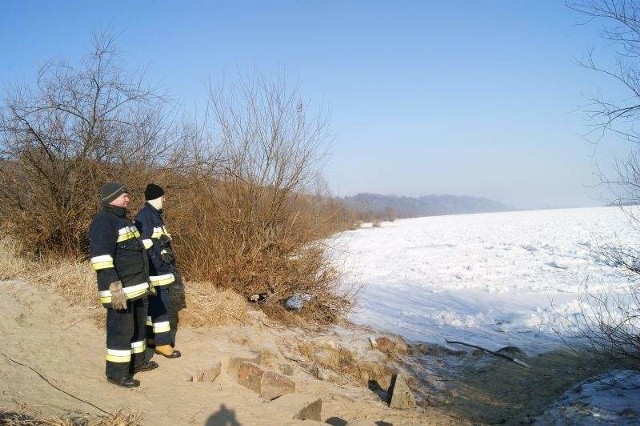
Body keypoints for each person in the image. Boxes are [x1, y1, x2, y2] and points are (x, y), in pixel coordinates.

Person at [89, 182, 158, 388]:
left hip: (136, 288)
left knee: (137, 329)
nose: (128, 198)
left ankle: (137, 363)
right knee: (121, 331)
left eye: (127, 194)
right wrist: (114, 287)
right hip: (120, 291)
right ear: (112, 198)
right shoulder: (103, 222)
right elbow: (101, 258)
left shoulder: (124, 220)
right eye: (123, 195)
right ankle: (117, 373)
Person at [135, 183, 182, 358]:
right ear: (156, 197)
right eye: (163, 196)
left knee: (154, 307)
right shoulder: (145, 216)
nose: (165, 199)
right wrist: (159, 264)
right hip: (156, 272)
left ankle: (152, 341)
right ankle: (162, 344)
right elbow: (146, 245)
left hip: (160, 271)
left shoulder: (154, 216)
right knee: (161, 308)